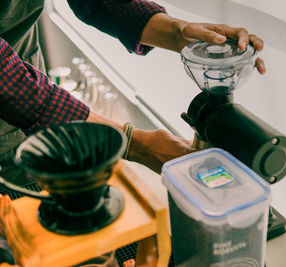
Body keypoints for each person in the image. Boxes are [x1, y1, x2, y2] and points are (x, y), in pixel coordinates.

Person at [0, 0, 266, 189]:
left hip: (26, 96)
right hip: (16, 95)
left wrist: (179, 33)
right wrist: (131, 142)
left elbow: (101, 2)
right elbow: (8, 79)